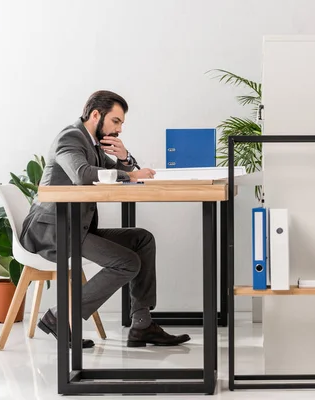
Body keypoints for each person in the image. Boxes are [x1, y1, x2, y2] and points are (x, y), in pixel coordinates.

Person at [20, 90, 191, 348]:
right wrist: (131, 175)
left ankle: (142, 325)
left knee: (142, 239)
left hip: (78, 227)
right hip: (55, 230)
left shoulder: (91, 142)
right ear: (96, 114)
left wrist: (124, 159)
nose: (119, 129)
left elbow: (110, 172)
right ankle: (58, 315)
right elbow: (82, 174)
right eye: (116, 121)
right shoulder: (70, 137)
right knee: (127, 262)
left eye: (121, 123)